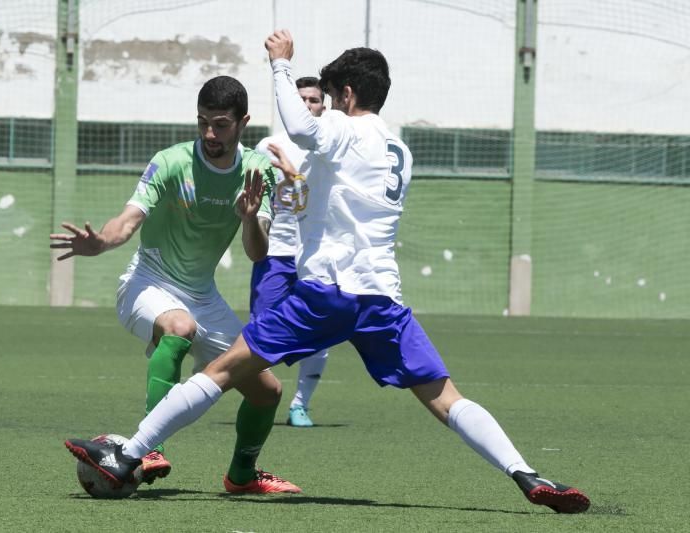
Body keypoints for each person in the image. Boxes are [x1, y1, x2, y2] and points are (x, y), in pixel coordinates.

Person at [65, 31, 591, 514]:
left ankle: (127, 455)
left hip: (327, 293)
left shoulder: (341, 126)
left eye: (332, 96)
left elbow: (301, 126)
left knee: (224, 372)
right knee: (447, 398)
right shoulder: (398, 149)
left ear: (345, 94)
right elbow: (334, 195)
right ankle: (527, 474)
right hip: (382, 301)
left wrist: (279, 65)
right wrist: (292, 177)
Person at [55, 75, 301, 494]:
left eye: (220, 124)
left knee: (267, 392)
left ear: (243, 122)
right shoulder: (170, 162)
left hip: (203, 295)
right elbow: (127, 220)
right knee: (179, 328)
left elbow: (257, 253)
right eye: (202, 122)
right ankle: (150, 449)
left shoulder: (258, 170)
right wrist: (102, 242)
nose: (209, 133)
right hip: (146, 282)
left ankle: (241, 475)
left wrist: (248, 219)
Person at [253, 76, 328, 428]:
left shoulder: (327, 147)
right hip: (275, 253)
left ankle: (300, 404)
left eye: (313, 100)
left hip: (315, 254)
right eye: (300, 100)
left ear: (323, 107)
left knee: (321, 331)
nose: (307, 105)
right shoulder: (267, 145)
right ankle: (261, 394)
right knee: (260, 330)